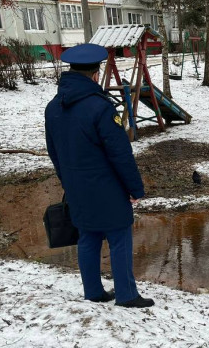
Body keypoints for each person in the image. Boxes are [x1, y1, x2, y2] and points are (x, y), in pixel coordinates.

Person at [44, 43, 154, 308]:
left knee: (88, 236)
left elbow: (54, 152)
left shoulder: (53, 107)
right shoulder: (101, 108)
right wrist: (135, 189)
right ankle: (127, 295)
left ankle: (93, 291)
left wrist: (67, 181)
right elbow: (120, 154)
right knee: (119, 236)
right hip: (107, 186)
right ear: (95, 74)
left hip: (76, 186)